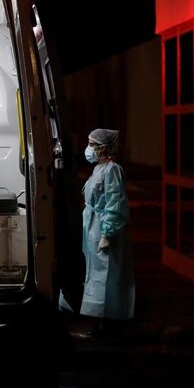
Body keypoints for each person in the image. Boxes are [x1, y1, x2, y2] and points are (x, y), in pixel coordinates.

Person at [64, 128, 135, 336]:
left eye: (92, 144)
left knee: (106, 276)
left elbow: (115, 202)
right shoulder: (98, 170)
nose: (88, 149)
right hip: (93, 229)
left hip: (104, 229)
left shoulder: (113, 170)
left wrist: (107, 232)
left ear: (103, 147)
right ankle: (100, 322)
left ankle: (106, 324)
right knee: (95, 275)